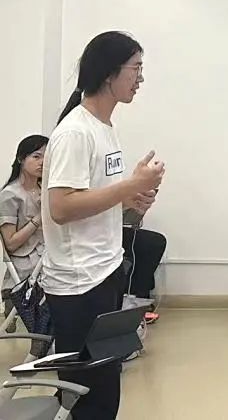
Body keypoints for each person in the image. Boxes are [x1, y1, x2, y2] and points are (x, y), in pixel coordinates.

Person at [41, 31, 165, 420]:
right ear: (110, 73)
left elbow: (92, 198)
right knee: (88, 396)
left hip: (104, 271)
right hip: (79, 284)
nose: (140, 78)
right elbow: (61, 207)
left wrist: (130, 200)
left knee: (107, 388)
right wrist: (130, 186)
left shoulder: (103, 128)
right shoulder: (75, 132)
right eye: (136, 68)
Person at [0, 135, 49, 335]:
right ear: (21, 158)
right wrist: (38, 218)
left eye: (46, 157)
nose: (42, 162)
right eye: (36, 156)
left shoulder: (45, 190)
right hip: (26, 262)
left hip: (48, 255)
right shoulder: (10, 195)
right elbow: (10, 244)